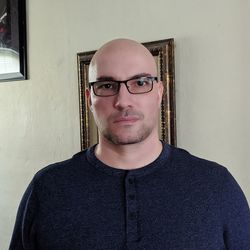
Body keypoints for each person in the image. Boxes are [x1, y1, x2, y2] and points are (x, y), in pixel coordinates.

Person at [9, 38, 250, 249]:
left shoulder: (216, 185)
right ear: (89, 98)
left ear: (159, 92)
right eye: (106, 86)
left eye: (140, 83)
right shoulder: (48, 188)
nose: (123, 101)